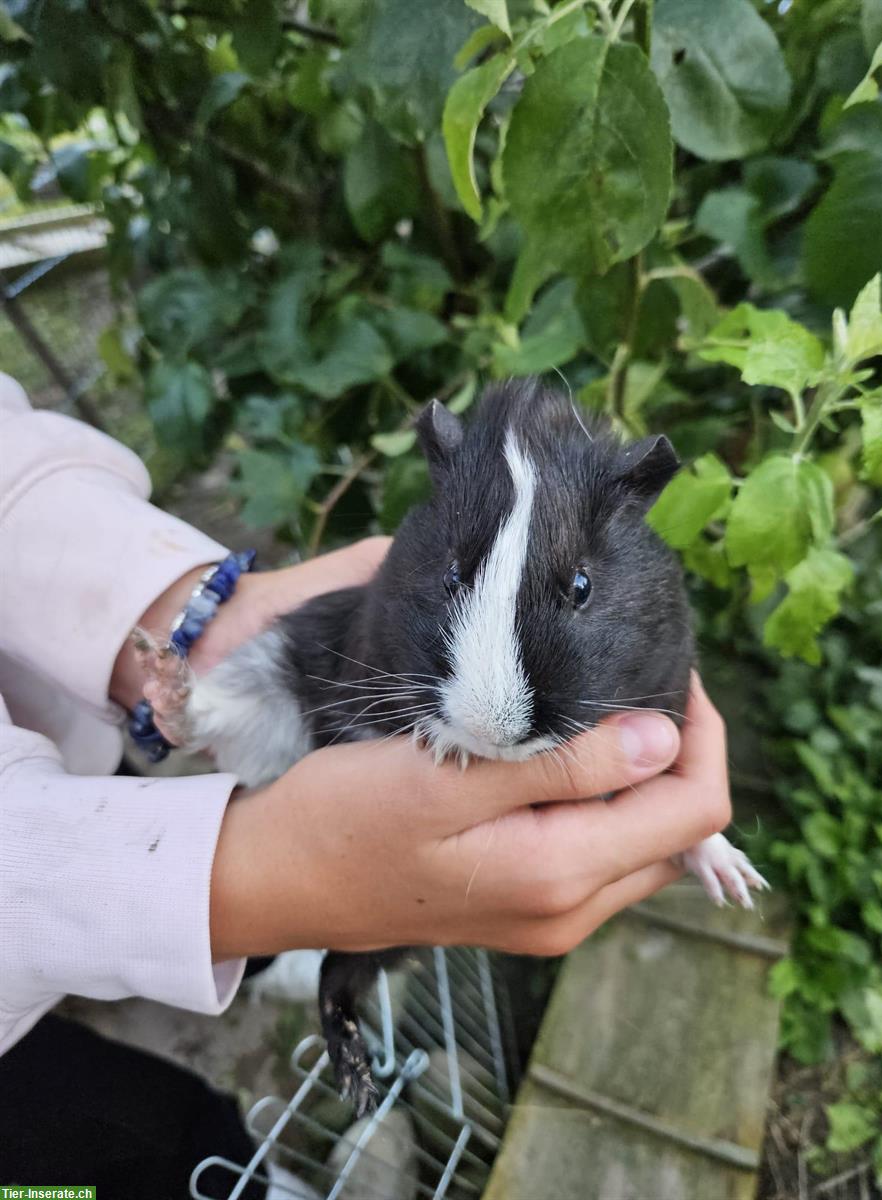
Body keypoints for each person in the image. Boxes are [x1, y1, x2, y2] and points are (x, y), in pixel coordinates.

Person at [0, 371, 732, 1197]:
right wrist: (235, 881)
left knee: (155, 1134)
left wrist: (692, 827)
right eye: (457, 580)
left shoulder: (646, 600)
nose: (493, 715)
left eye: (578, 592)